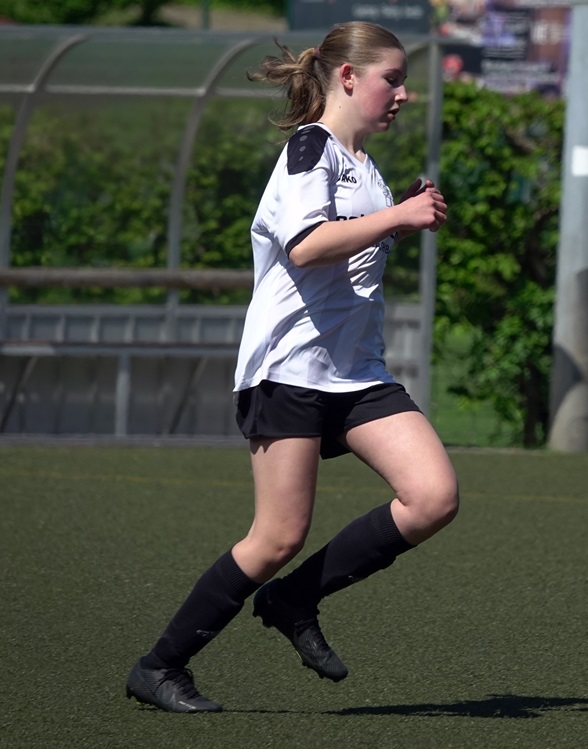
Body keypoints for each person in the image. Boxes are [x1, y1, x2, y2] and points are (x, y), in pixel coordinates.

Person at [125, 21, 460, 713]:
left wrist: (397, 210)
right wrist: (399, 216)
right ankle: (159, 666)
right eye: (392, 79)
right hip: (290, 370)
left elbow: (348, 250)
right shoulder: (311, 147)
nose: (404, 93)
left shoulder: (364, 165)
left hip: (356, 374)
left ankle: (295, 599)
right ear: (348, 77)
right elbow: (307, 245)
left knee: (432, 496)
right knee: (277, 537)